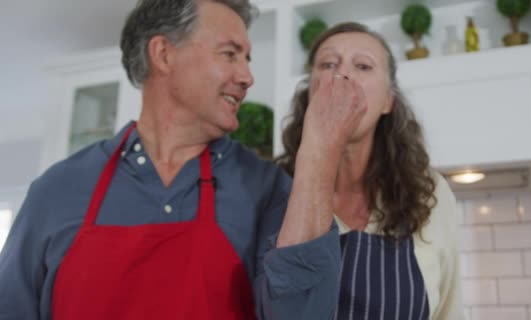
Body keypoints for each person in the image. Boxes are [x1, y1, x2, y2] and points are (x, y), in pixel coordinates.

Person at [0, 1, 366, 319]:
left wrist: (320, 148)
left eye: (247, 59)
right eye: (230, 54)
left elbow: (300, 314)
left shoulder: (266, 189)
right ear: (163, 54)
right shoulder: (57, 190)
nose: (247, 76)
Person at [276, 22, 464, 319]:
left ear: (388, 101)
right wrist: (318, 148)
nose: (343, 75)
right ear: (310, 93)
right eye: (327, 64)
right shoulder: (275, 188)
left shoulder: (431, 193)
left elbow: (449, 312)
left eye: (363, 66)